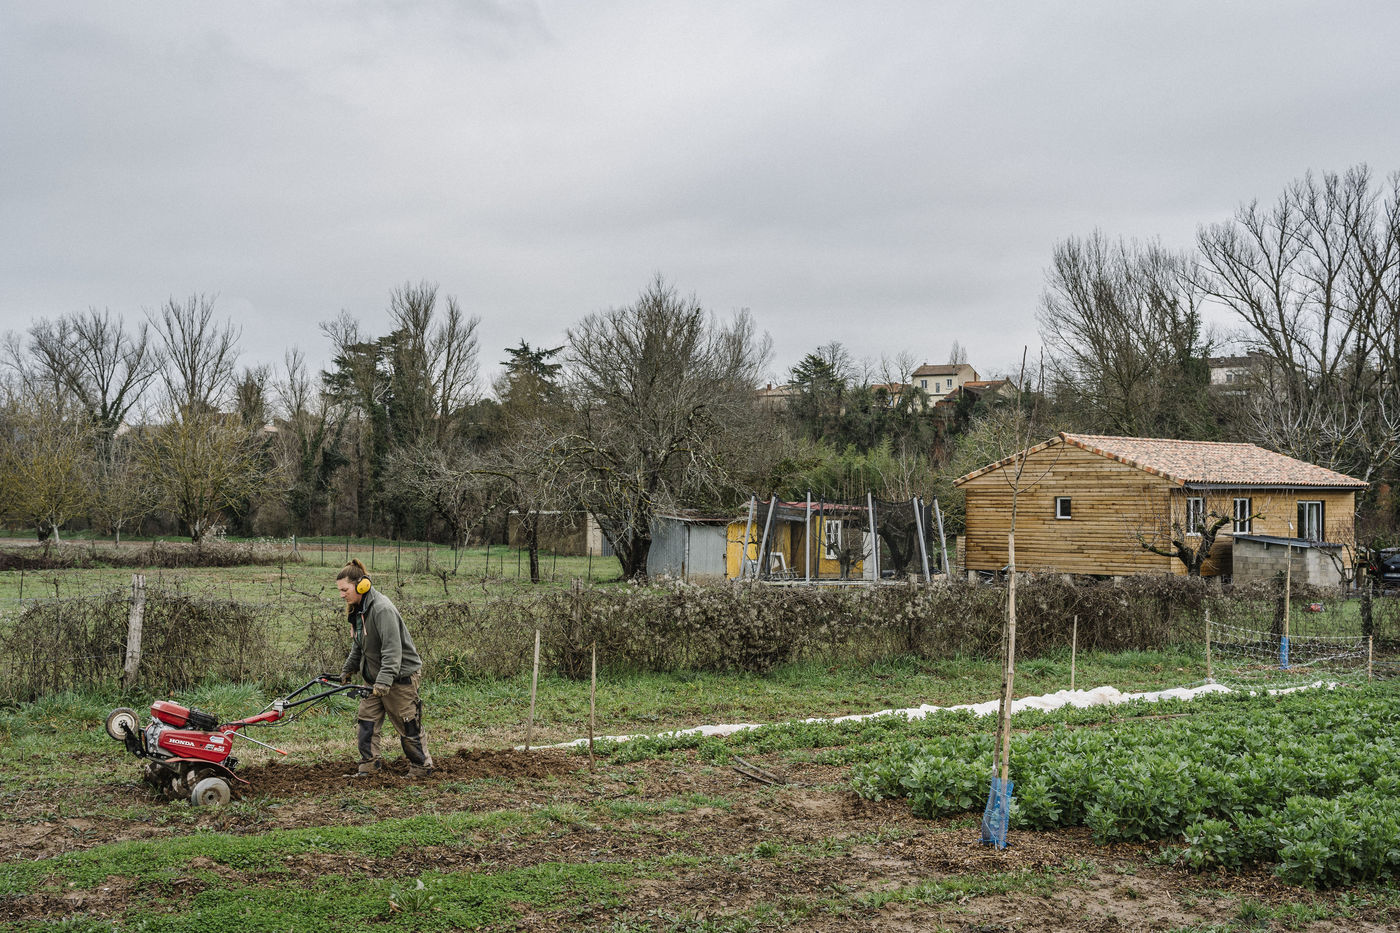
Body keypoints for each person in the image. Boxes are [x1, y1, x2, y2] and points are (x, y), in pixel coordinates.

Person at [336, 559, 434, 776]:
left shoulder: (382, 609)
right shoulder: (359, 610)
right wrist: (348, 669)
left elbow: (392, 650)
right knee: (366, 723)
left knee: (407, 723)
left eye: (345, 590)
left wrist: (383, 682)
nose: (341, 595)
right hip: (375, 679)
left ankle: (421, 768)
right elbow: (359, 644)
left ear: (362, 586)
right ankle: (369, 766)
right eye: (340, 590)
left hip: (399, 678)